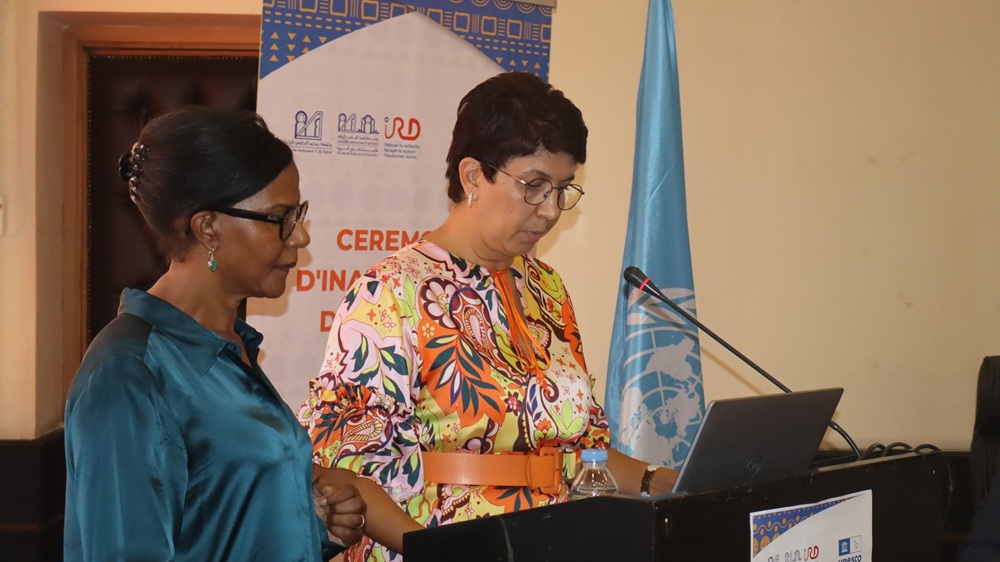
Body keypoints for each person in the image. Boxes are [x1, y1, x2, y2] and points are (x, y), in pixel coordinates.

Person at [297, 72, 678, 561]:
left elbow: (585, 453)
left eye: (562, 189)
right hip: (441, 545)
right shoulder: (390, 292)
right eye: (534, 186)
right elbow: (348, 466)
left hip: (557, 542)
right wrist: (437, 552)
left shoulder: (548, 289)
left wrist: (665, 482)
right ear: (473, 176)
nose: (550, 211)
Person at [64, 107, 367, 561]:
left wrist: (314, 526)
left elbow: (220, 525)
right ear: (208, 228)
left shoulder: (230, 348)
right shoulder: (129, 373)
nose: (300, 236)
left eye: (299, 214)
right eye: (282, 217)